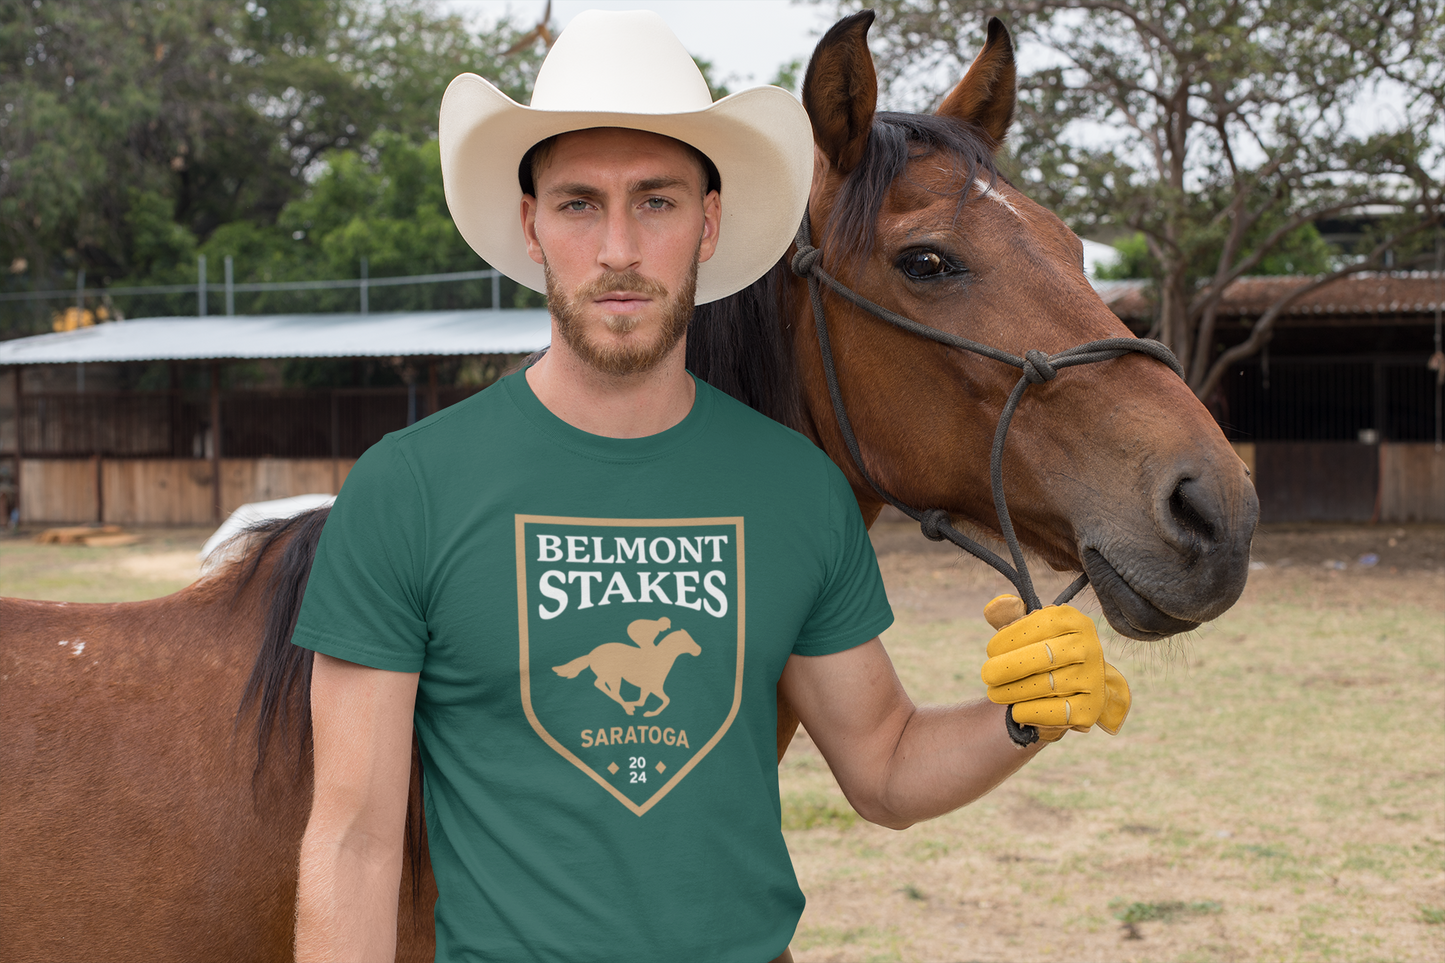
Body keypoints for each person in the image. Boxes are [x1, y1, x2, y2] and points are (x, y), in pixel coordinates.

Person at [291, 10, 1128, 963]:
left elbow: (886, 766)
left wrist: (1025, 712)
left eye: (656, 201)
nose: (617, 247)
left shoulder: (797, 492)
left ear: (710, 223)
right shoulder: (409, 488)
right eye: (577, 203)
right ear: (530, 224)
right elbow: (353, 846)